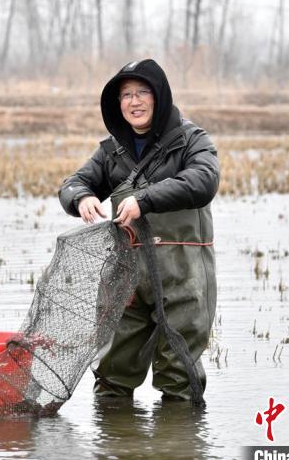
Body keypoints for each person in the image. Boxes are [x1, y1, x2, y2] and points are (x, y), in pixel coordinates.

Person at [58, 58, 219, 401]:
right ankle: (117, 450)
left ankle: (173, 449)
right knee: (112, 378)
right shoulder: (111, 151)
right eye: (126, 95)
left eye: (142, 92)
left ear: (159, 96)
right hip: (127, 279)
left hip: (182, 277)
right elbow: (73, 184)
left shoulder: (191, 140)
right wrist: (82, 197)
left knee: (179, 379)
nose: (134, 102)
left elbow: (205, 180)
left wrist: (146, 199)